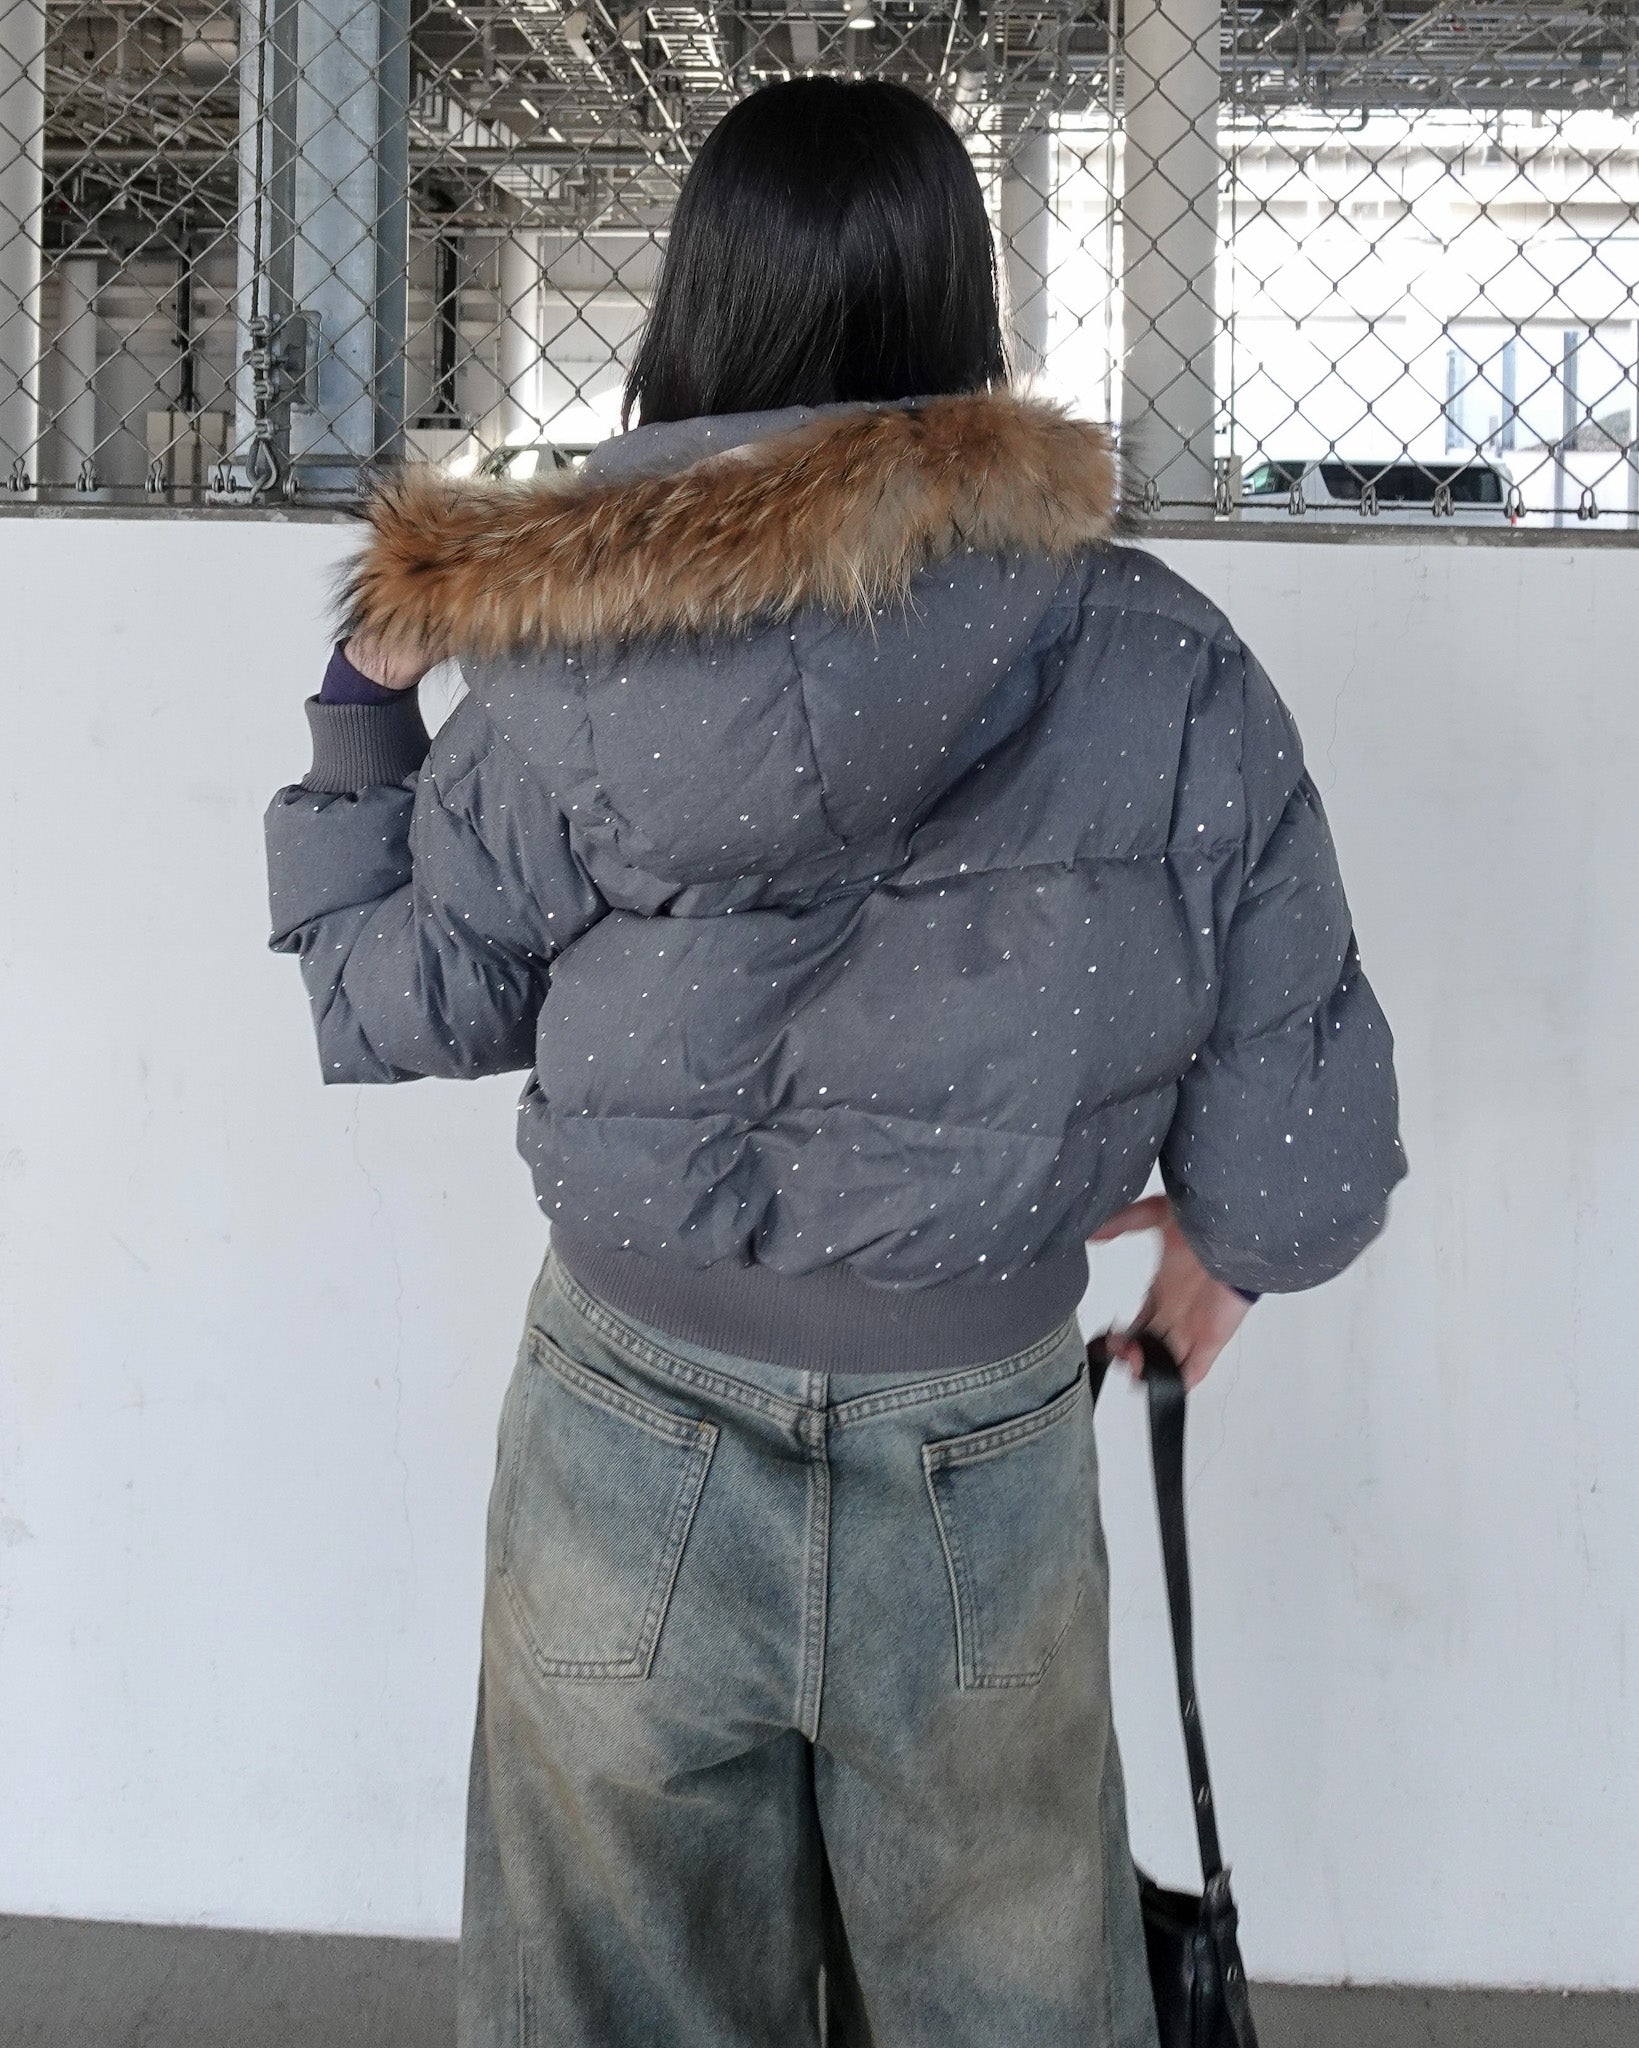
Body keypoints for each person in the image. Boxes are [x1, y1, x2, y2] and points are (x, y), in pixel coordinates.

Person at [265, 75, 1404, 2048]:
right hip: (978, 1431)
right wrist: (1230, 1245)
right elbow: (1294, 1138)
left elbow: (396, 1000)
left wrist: (361, 710)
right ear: (967, 307)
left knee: (612, 2002)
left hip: (628, 1422)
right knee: (1005, 2006)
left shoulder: (562, 664)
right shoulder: (1164, 656)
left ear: (693, 312)